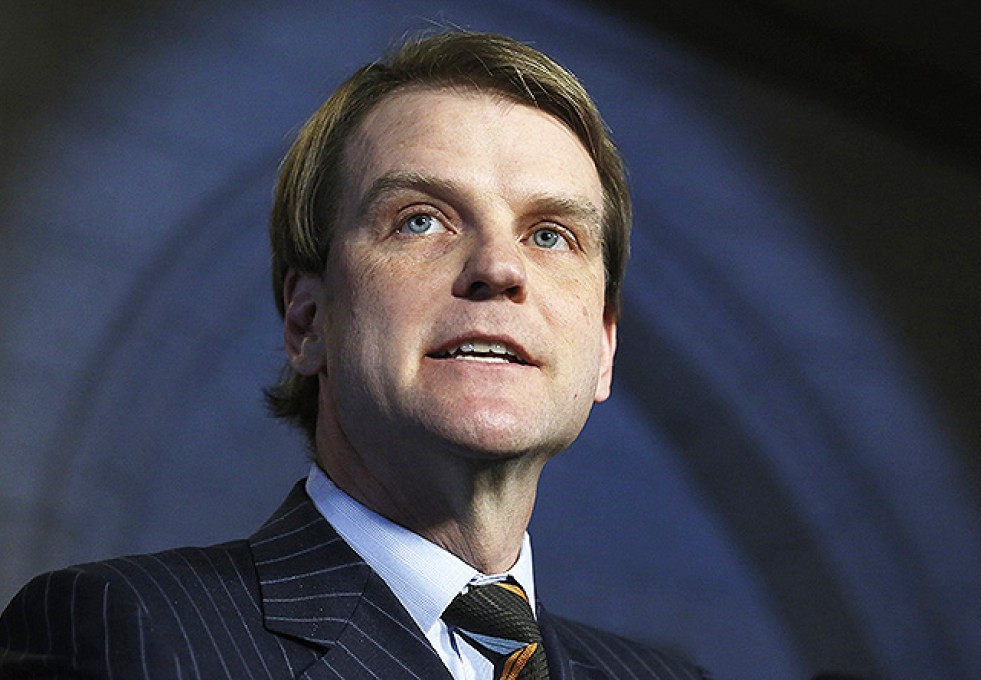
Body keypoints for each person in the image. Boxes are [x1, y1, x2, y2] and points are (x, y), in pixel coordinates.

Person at [0, 31, 710, 679]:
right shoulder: (125, 635)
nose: (499, 267)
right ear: (308, 321)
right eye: (420, 220)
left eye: (550, 234)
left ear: (605, 348)